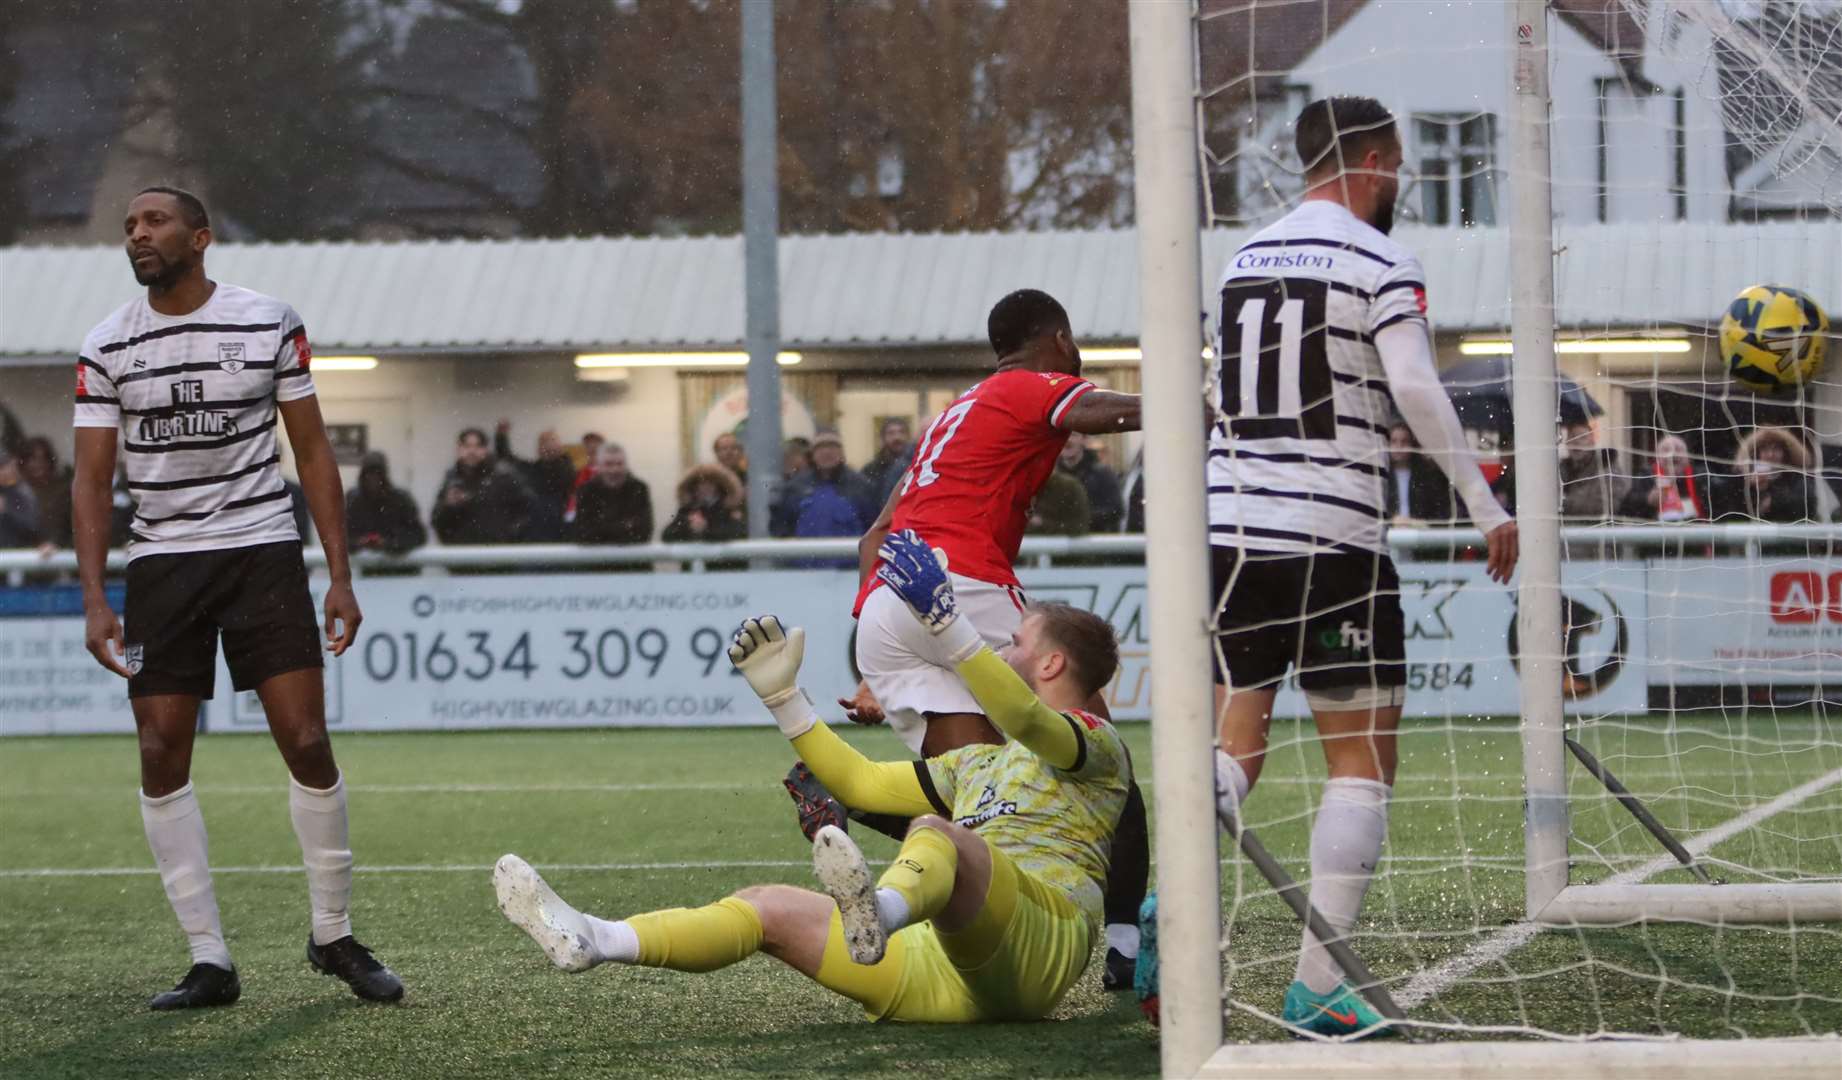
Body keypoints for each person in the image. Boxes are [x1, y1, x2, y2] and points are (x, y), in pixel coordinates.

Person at [494, 534, 1130, 1023]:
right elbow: (858, 784)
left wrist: (947, 625)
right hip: (947, 972)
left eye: (1015, 643)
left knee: (939, 833)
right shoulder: (979, 762)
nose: (1001, 651)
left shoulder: (1098, 745)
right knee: (764, 907)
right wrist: (786, 701)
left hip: (1045, 944)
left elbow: (1023, 714)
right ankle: (595, 938)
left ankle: (878, 912)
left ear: (1051, 662)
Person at [1204, 98, 1517, 1038]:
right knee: (1361, 762)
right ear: (1375, 161)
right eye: (1401, 167)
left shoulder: (1241, 258)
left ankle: (1164, 911)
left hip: (1227, 536)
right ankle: (1318, 987)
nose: (1404, 186)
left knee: (1233, 746)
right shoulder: (1379, 257)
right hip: (1332, 538)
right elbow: (1416, 386)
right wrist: (1485, 504)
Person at [70, 187, 402, 1010]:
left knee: (305, 736)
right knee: (160, 752)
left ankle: (333, 935)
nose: (138, 235)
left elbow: (314, 450)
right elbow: (90, 477)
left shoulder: (267, 322)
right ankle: (209, 959)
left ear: (201, 236)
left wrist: (340, 575)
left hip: (260, 552)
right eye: (130, 227)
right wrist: (94, 597)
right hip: (163, 567)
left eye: (153, 222)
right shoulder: (107, 343)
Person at [812, 288, 1151, 991]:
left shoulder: (949, 419)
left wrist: (874, 663)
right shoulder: (1030, 384)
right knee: (1098, 760)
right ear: (1058, 338)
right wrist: (1192, 403)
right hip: (958, 583)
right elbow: (1099, 411)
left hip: (885, 602)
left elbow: (874, 534)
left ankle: (852, 806)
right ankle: (1126, 942)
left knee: (977, 787)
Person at [775, 429, 879, 544]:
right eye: (821, 447)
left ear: (842, 452)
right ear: (812, 454)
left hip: (850, 559)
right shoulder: (796, 487)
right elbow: (782, 528)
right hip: (804, 559)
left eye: (832, 446)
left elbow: (873, 528)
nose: (827, 452)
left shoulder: (861, 486)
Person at [432, 428, 534, 545]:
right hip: (461, 556)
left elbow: (528, 510)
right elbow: (437, 522)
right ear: (458, 449)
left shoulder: (504, 477)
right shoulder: (451, 481)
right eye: (466, 446)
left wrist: (508, 537)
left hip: (498, 555)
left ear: (485, 450)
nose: (472, 451)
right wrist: (449, 507)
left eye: (478, 446)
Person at [1716, 426, 1818, 523]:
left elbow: (1807, 504)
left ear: (1786, 453)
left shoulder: (1796, 476)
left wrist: (1773, 501)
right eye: (1765, 449)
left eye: (1776, 449)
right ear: (1756, 453)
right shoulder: (1740, 478)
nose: (1770, 455)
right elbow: (1729, 508)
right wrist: (1750, 487)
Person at [495, 419, 575, 541]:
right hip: (532, 533)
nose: (548, 445)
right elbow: (507, 458)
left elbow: (561, 475)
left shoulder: (567, 469)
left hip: (560, 532)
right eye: (543, 442)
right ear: (538, 448)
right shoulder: (531, 469)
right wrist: (501, 436)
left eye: (552, 440)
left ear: (560, 446)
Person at [568, 443, 653, 545]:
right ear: (599, 466)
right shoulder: (586, 491)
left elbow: (644, 532)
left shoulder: (639, 488)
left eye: (619, 464)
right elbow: (582, 534)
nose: (614, 469)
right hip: (597, 559)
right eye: (609, 464)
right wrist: (625, 526)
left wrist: (601, 526)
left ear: (626, 465)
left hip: (632, 559)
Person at [345, 451, 427, 555]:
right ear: (363, 476)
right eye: (369, 474)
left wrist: (388, 543)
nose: (373, 479)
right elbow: (342, 538)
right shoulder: (354, 502)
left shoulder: (401, 499)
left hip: (399, 566)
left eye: (377, 473)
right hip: (371, 566)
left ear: (384, 476)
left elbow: (418, 536)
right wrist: (359, 542)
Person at [1617, 434, 1710, 522]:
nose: (1672, 454)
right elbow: (1625, 509)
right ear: (1657, 457)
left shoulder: (1701, 475)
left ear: (1688, 457)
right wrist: (1647, 499)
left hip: (1696, 532)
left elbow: (1718, 496)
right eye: (1666, 450)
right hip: (1657, 534)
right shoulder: (1646, 476)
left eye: (1678, 449)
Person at [1382, 422, 1453, 524]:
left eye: (1404, 442)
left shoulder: (1428, 476)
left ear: (1412, 445)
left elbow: (1439, 510)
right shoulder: (1382, 475)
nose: (1399, 446)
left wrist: (1421, 523)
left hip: (1421, 534)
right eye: (1394, 441)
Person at [1558, 421, 1624, 523]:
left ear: (1593, 441)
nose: (1576, 443)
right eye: (1572, 438)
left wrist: (1563, 504)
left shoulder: (1608, 467)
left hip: (1599, 534)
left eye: (1582, 437)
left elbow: (1606, 507)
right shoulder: (1560, 470)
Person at [661, 463, 745, 542]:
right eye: (700, 483)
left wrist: (705, 529)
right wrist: (688, 526)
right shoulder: (687, 509)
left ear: (718, 486)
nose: (705, 487)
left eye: (710, 483)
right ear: (694, 487)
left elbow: (736, 533)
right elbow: (667, 535)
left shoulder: (727, 509)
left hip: (721, 557)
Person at [1059, 433, 1125, 533]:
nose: (1067, 440)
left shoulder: (1103, 474)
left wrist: (1081, 518)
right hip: (1056, 544)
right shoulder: (1047, 475)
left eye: (1073, 435)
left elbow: (1116, 510)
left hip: (1094, 542)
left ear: (1084, 440)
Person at [20, 437, 74, 548]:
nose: (38, 464)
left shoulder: (63, 491)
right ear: (24, 462)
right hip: (18, 553)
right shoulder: (15, 491)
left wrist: (55, 543)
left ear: (50, 462)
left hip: (55, 554)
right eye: (33, 459)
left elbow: (67, 526)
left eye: (43, 459)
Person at [859, 417, 914, 509]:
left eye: (901, 432)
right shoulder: (871, 470)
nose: (897, 437)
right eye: (891, 433)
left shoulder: (917, 465)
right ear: (883, 438)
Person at [1027, 465, 1091, 536]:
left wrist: (1043, 524)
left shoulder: (1070, 488)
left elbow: (1079, 527)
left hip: (1061, 543)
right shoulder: (1020, 488)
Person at [0, 447, 44, 548]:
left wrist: (7, 510)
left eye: (3, 467)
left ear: (13, 464)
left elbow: (33, 528)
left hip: (17, 552)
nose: (3, 472)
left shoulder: (23, 492)